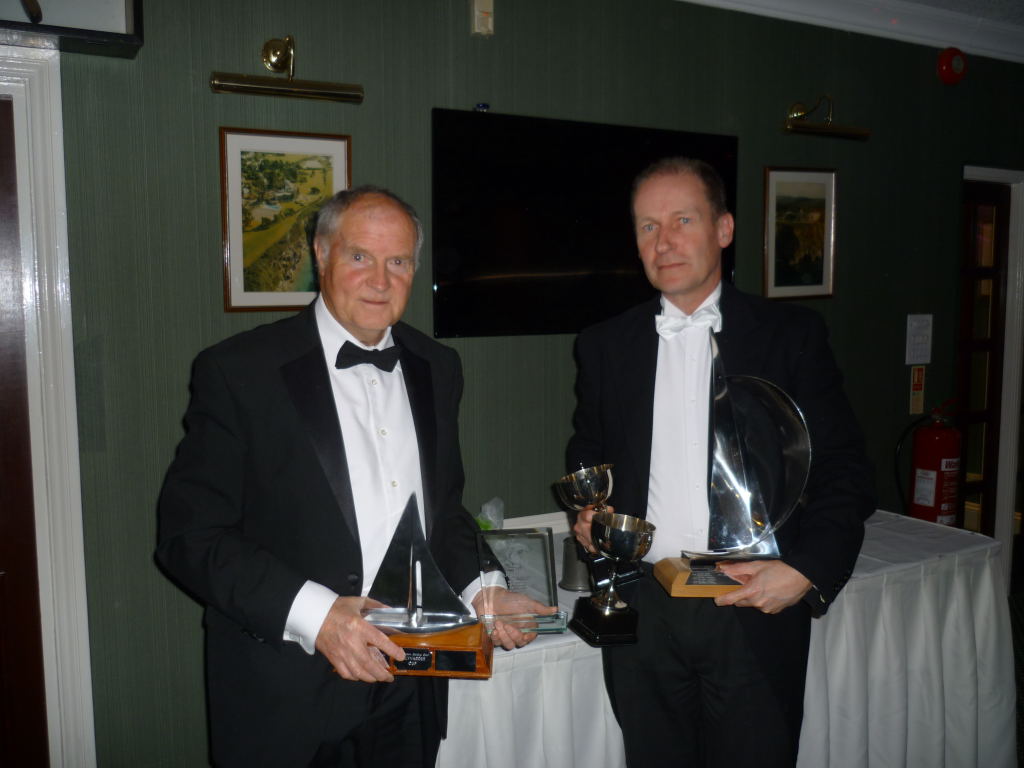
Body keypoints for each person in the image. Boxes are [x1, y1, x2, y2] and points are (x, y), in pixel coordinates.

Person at [157, 186, 545, 767]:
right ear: (322, 254)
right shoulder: (239, 371)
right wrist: (319, 617)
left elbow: (442, 512)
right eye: (360, 256)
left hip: (409, 684)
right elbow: (190, 536)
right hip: (284, 689)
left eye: (398, 262)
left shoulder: (438, 366)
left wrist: (482, 588)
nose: (380, 280)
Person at [568, 158, 874, 766]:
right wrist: (590, 514)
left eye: (683, 220)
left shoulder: (791, 335)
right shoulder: (604, 344)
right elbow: (589, 450)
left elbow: (844, 469)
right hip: (644, 606)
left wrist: (806, 571)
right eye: (648, 226)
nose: (664, 241)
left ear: (724, 229)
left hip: (752, 603)